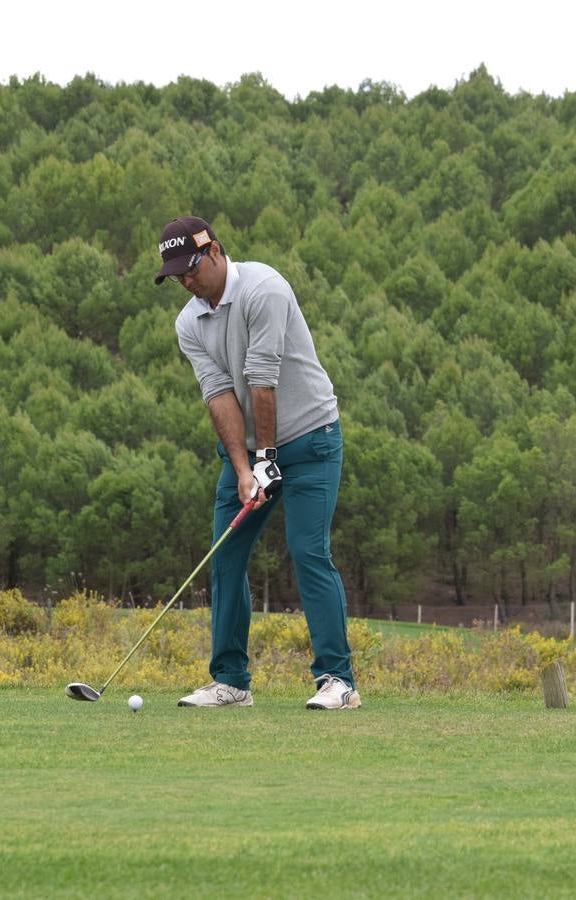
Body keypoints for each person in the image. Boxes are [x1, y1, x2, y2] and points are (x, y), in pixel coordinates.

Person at [154, 215, 360, 710]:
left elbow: (261, 380)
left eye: (191, 268)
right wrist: (246, 468)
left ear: (216, 251)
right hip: (249, 450)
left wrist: (268, 459)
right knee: (225, 554)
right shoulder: (189, 322)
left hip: (312, 439)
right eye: (176, 275)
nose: (186, 281)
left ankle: (338, 681)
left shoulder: (264, 289)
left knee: (308, 552)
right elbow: (220, 395)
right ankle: (230, 682)